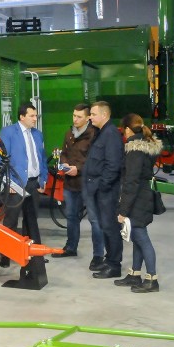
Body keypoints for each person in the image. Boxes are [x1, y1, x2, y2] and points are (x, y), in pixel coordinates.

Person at [114, 114, 163, 293]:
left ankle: (152, 279)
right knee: (137, 237)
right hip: (144, 197)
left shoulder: (134, 150)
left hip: (138, 200)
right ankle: (135, 274)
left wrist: (123, 210)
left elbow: (131, 182)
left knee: (142, 238)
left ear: (127, 130)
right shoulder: (145, 147)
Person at [0, 102, 47, 267]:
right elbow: (1, 160)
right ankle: (6, 255)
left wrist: (43, 179)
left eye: (35, 116)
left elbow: (42, 159)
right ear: (22, 117)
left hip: (33, 183)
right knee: (11, 220)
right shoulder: (8, 133)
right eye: (32, 116)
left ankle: (34, 253)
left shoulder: (38, 134)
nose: (35, 119)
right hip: (15, 184)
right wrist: (8, 182)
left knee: (31, 220)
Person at [83, 101, 124, 279]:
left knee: (110, 227)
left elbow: (113, 165)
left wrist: (103, 187)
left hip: (106, 191)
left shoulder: (111, 134)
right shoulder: (101, 133)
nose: (90, 117)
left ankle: (114, 265)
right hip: (100, 190)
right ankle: (109, 260)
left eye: (92, 114)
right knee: (105, 226)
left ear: (104, 115)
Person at [52, 104, 98, 259]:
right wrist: (64, 164)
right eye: (74, 116)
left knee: (94, 219)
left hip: (87, 183)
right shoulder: (69, 134)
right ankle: (71, 247)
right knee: (71, 216)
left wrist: (77, 169)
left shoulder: (93, 135)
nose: (75, 119)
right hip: (70, 184)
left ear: (87, 118)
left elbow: (94, 159)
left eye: (79, 117)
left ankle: (98, 255)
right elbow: (64, 153)